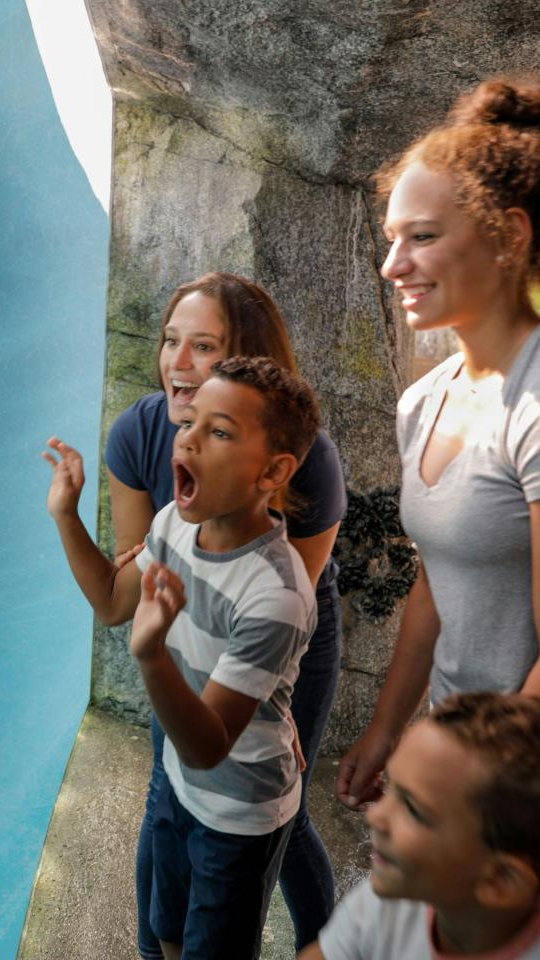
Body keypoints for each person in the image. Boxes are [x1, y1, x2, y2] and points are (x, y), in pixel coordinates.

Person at [336, 77, 540, 960]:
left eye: (422, 238)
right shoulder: (426, 399)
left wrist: (470, 813)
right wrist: (389, 728)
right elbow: (436, 587)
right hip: (460, 769)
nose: (392, 263)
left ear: (508, 237)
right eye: (390, 240)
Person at [44, 356, 323, 959]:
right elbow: (114, 601)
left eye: (219, 432)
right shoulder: (172, 522)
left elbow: (211, 742)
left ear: (273, 470)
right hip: (178, 782)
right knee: (166, 933)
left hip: (239, 809)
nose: (189, 438)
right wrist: (67, 517)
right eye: (190, 421)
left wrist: (151, 658)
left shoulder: (275, 593)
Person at [105, 272, 348, 958]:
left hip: (276, 626)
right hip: (188, 616)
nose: (178, 363)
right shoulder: (139, 433)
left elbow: (285, 592)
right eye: (169, 341)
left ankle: (322, 944)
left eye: (203, 346)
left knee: (272, 808)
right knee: (172, 798)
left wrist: (270, 702)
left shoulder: (310, 460)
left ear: (247, 362)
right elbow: (128, 593)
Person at [303, 693, 540, 960]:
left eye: (413, 808)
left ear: (500, 879)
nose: (375, 817)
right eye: (392, 788)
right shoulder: (384, 906)